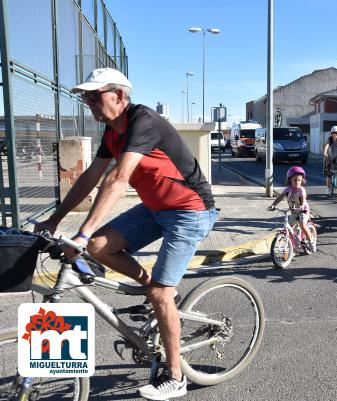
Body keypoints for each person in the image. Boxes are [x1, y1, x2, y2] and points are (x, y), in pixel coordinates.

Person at [34, 68, 218, 400]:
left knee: (161, 292)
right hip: (155, 208)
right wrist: (55, 220)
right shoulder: (111, 132)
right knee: (100, 246)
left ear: (119, 95)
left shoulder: (142, 121)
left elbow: (118, 180)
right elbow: (90, 177)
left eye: (94, 96)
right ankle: (156, 293)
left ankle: (175, 377)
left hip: (190, 209)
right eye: (85, 97)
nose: (89, 103)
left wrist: (81, 233)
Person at [269, 166, 315, 252]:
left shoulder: (301, 190)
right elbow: (280, 197)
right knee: (289, 228)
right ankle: (295, 243)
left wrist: (301, 205)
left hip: (303, 210)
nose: (297, 182)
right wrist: (273, 205)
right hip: (294, 211)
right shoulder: (288, 189)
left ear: (302, 180)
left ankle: (311, 242)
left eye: (299, 180)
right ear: (290, 179)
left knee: (302, 225)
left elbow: (303, 198)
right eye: (295, 180)